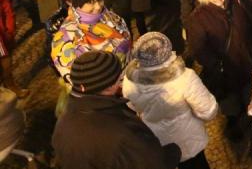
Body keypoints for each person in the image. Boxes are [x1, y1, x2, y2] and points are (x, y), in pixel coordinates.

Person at [52, 51, 183, 169]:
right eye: (119, 78)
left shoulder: (62, 123)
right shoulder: (122, 134)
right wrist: (173, 152)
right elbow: (154, 163)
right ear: (110, 85)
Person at [122, 32, 218, 169]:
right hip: (188, 140)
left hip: (158, 138)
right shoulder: (185, 78)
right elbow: (208, 111)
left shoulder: (129, 79)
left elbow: (132, 106)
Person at [187, 0, 252, 141]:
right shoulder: (198, 17)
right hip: (226, 69)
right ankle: (234, 125)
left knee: (251, 92)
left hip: (248, 60)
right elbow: (199, 49)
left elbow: (251, 24)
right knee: (231, 100)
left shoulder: (235, 2)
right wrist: (216, 65)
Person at [51, 0, 131, 85]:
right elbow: (80, 79)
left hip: (130, 79)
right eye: (90, 2)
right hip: (108, 89)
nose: (98, 6)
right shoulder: (67, 36)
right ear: (72, 3)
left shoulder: (108, 15)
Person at [0, 0, 28, 98]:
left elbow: (8, 11)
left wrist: (10, 30)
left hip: (3, 37)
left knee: (6, 62)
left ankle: (11, 86)